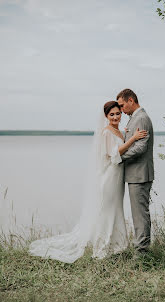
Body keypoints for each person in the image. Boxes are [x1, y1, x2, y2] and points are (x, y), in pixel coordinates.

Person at [29, 101, 147, 263]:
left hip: (118, 177)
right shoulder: (106, 132)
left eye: (117, 113)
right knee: (107, 211)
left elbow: (120, 144)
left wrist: (127, 135)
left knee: (115, 209)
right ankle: (101, 248)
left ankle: (117, 246)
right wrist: (133, 138)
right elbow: (114, 153)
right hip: (110, 177)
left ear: (121, 113)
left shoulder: (118, 131)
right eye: (111, 114)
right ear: (106, 116)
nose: (115, 117)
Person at [117, 89, 154, 254]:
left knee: (140, 215)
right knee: (138, 214)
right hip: (135, 174)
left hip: (140, 174)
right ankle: (140, 248)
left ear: (131, 100)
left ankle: (142, 253)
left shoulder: (142, 118)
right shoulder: (134, 118)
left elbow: (140, 147)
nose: (121, 110)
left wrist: (119, 157)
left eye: (122, 105)